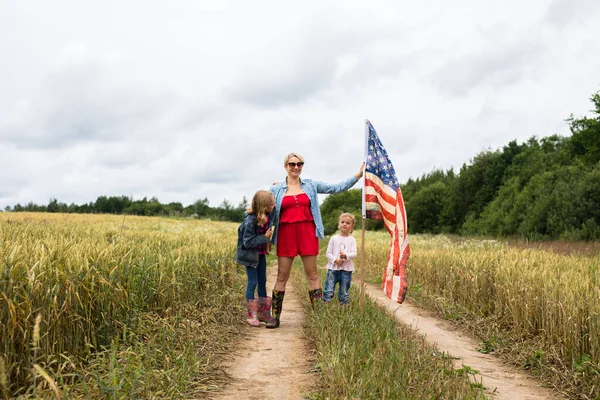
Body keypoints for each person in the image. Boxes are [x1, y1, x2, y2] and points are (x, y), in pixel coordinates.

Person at [266, 152, 364, 328]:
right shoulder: (276, 189)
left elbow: (335, 188)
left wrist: (357, 176)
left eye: (299, 164)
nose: (296, 167)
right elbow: (263, 207)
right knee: (282, 275)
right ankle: (275, 317)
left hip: (307, 233)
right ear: (285, 166)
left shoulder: (310, 185)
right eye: (292, 164)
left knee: (312, 274)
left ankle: (319, 316)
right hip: (286, 235)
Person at [236, 190, 276, 327]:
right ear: (264, 206)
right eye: (271, 204)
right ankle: (251, 315)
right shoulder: (250, 221)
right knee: (252, 282)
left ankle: (263, 313)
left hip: (261, 254)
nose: (274, 205)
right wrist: (265, 237)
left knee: (262, 281)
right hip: (250, 256)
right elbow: (247, 243)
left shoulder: (268, 214)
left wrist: (274, 187)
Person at [323, 213, 357, 306]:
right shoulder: (334, 239)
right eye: (342, 222)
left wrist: (345, 256)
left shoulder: (352, 240)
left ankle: (344, 305)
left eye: (348, 223)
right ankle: (326, 303)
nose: (344, 224)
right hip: (333, 269)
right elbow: (328, 253)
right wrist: (335, 260)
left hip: (346, 270)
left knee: (344, 290)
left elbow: (354, 253)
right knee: (329, 288)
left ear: (352, 227)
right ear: (338, 224)